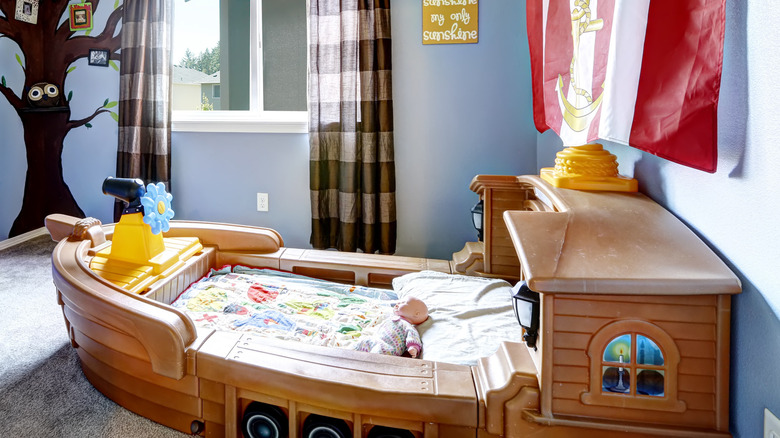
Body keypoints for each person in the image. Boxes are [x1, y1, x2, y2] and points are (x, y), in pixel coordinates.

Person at [355, 296, 428, 358]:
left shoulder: (407, 326)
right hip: (376, 340)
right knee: (362, 342)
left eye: (403, 303)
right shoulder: (391, 318)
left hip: (388, 348)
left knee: (376, 354)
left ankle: (367, 367)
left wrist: (413, 347)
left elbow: (413, 337)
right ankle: (348, 355)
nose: (398, 303)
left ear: (416, 314)